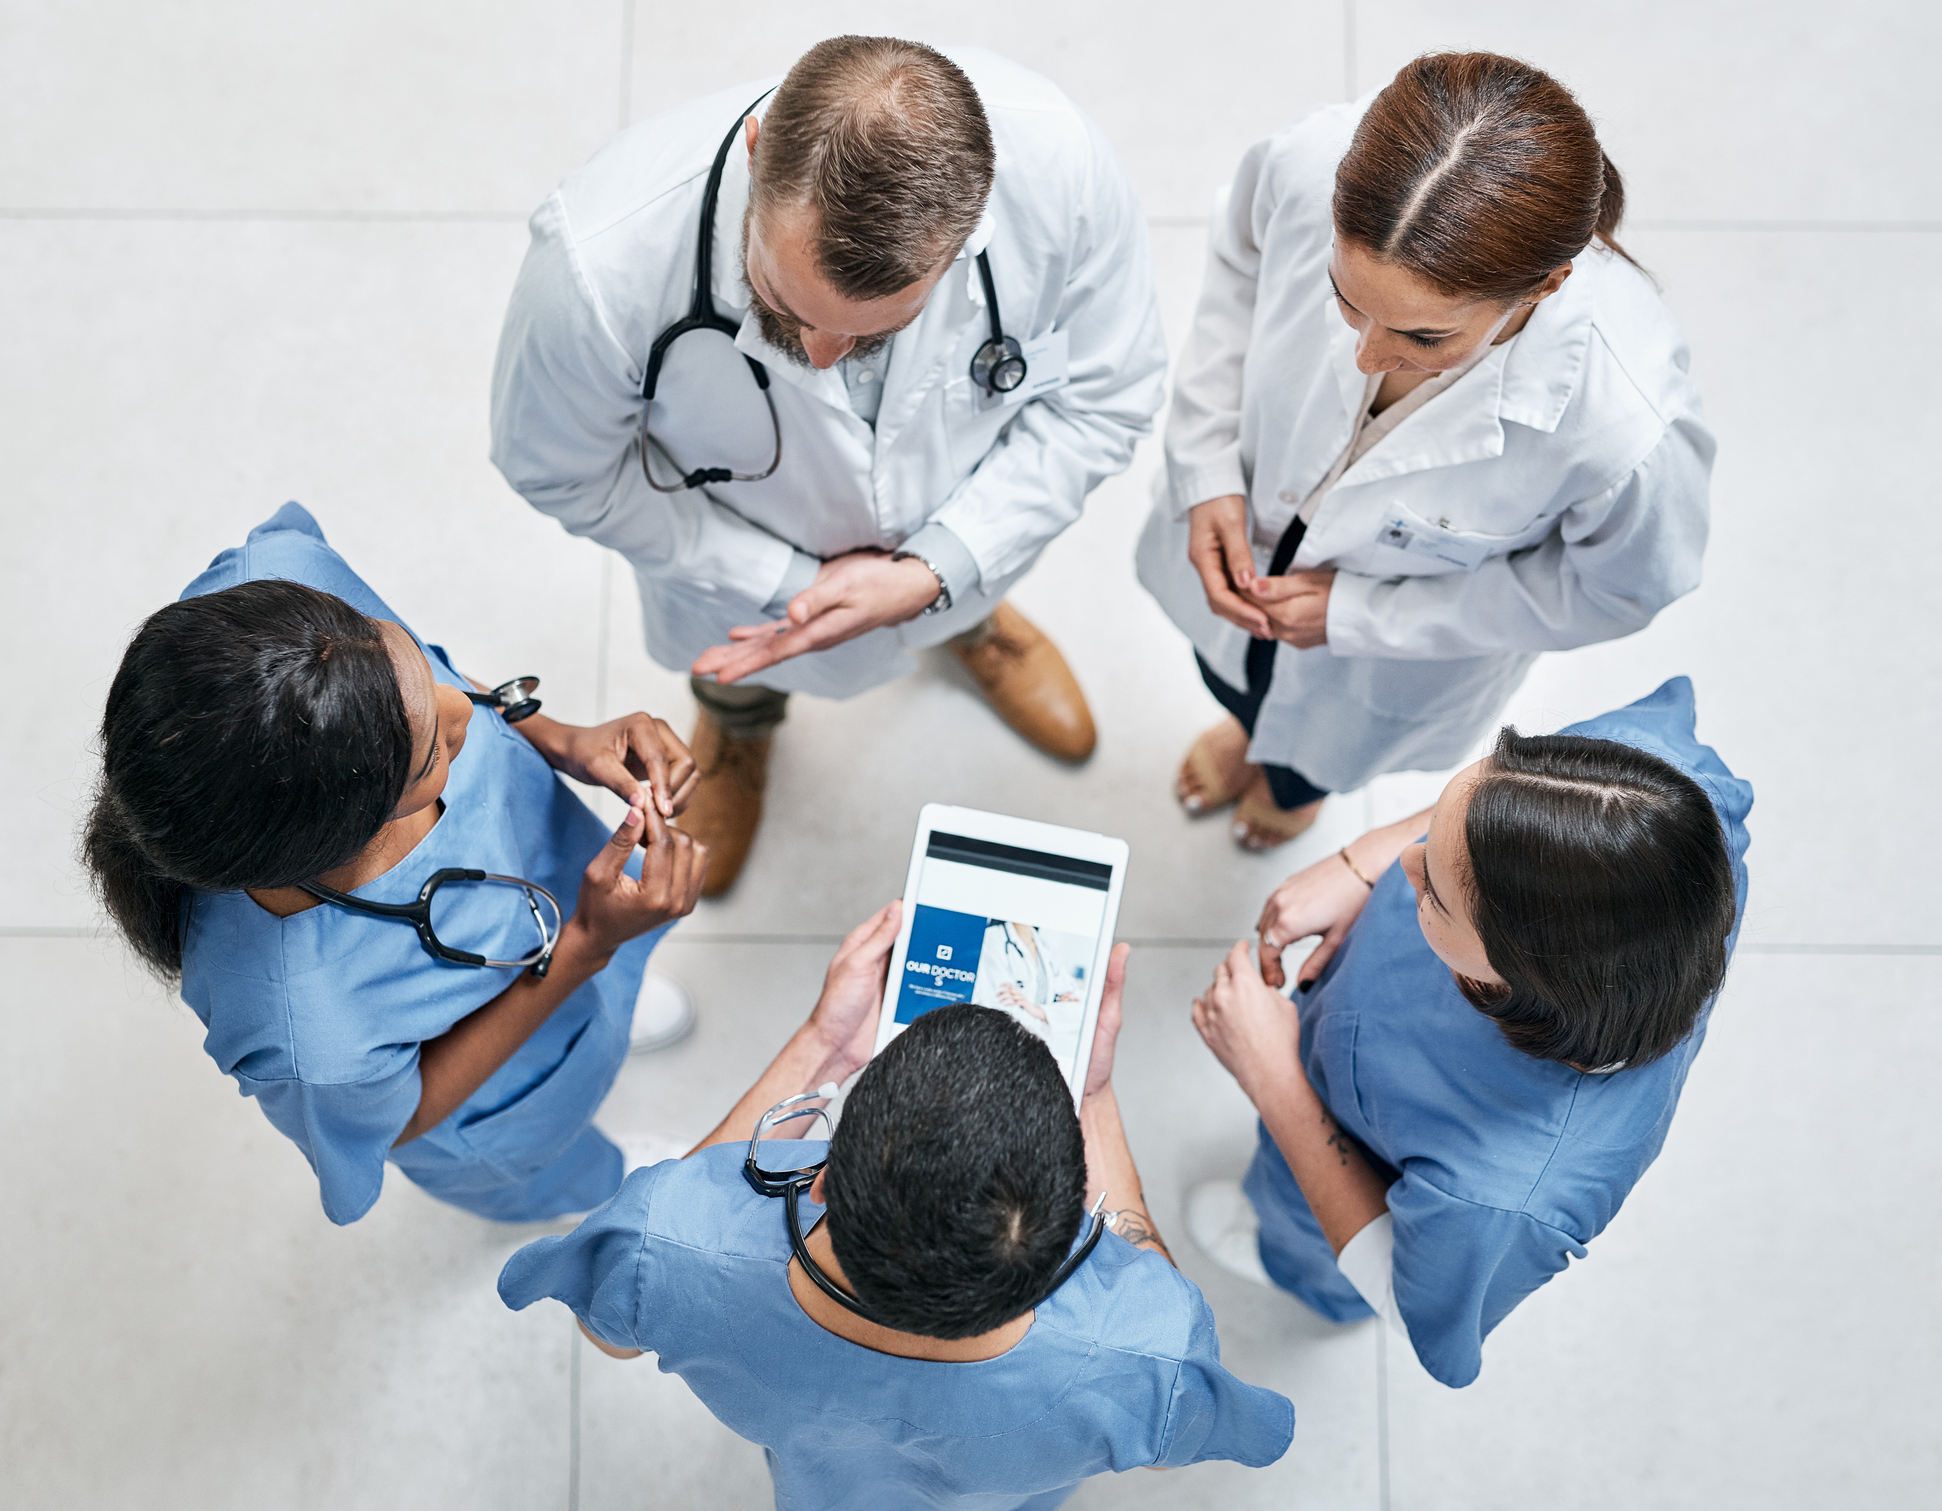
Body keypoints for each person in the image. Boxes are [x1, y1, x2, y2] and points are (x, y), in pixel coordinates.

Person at [492, 35, 1166, 894]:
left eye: (873, 332)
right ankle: (739, 727)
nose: (817, 355)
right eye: (781, 302)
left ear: (967, 235)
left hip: (956, 523)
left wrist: (938, 567)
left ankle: (970, 626)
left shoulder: (1057, 173)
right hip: (737, 582)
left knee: (961, 588)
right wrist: (785, 583)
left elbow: (1108, 394)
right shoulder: (596, 266)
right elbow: (559, 470)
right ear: (756, 151)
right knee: (741, 666)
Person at [499, 909, 1294, 1508]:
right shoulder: (1144, 1354)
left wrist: (823, 1040)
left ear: (818, 1181)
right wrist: (1095, 1096)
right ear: (1064, 1234)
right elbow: (1179, 1427)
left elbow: (609, 1332)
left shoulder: (668, 1245)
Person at [1138, 53, 1715, 850]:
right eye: (1345, 300)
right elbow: (1240, 264)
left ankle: (1293, 789)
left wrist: (1362, 615)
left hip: (1383, 658)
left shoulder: (1624, 427)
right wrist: (1205, 465)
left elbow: (1617, 590)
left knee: (1316, 748)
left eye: (1423, 336)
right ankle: (1247, 733)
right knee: (1232, 676)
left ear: (1544, 285)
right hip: (1245, 551)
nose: (1367, 357)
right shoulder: (1315, 160)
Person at [82, 505, 710, 1224]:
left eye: (408, 661)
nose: (464, 708)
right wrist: (586, 945)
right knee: (555, 1165)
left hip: (559, 904)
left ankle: (599, 1010)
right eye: (433, 750)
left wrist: (560, 738)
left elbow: (431, 687)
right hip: (502, 1099)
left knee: (600, 1003)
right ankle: (600, 1188)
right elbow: (404, 1116)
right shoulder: (309, 1031)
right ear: (343, 831)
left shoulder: (274, 598)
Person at [1183, 678, 1750, 1388]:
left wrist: (1277, 1085)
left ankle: (1294, 1267)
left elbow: (1409, 1301)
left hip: (1346, 1179)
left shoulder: (1509, 1194)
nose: (1404, 865)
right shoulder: (1651, 787)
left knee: (1304, 1235)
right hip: (1354, 1039)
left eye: (1433, 892)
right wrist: (1360, 860)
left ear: (1517, 968)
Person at [973, 919, 1085, 1067]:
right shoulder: (992, 940)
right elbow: (1003, 1011)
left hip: (1038, 1055)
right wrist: (1053, 1016)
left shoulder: (1048, 949)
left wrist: (1035, 1010)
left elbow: (1080, 1011)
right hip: (1004, 1050)